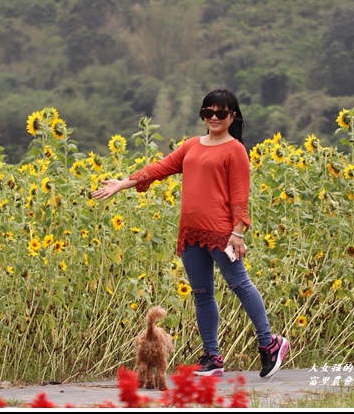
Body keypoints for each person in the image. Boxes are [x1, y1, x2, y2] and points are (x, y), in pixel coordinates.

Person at [92, 88, 289, 378]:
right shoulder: (192, 145)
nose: (213, 118)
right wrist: (123, 183)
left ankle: (270, 343)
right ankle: (212, 357)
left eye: (220, 113)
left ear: (232, 116)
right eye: (207, 112)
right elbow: (161, 167)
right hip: (191, 234)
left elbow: (239, 197)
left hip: (222, 234)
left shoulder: (235, 149)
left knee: (240, 285)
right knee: (202, 294)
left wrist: (238, 234)